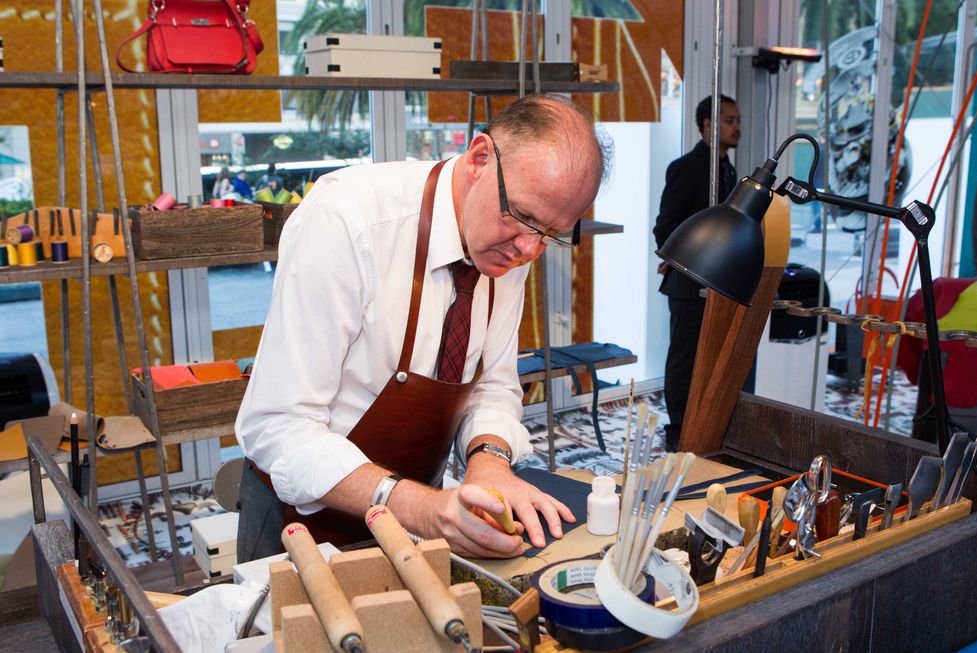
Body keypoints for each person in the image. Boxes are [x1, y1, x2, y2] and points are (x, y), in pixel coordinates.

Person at [236, 93, 609, 562]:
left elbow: (494, 386)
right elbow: (279, 427)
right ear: (479, 159)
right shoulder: (348, 221)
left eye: (551, 234)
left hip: (422, 511)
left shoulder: (508, 240)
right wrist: (418, 506)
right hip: (302, 522)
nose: (528, 250)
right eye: (524, 217)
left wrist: (489, 461)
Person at [653, 94, 741, 452]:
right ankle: (678, 431)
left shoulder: (731, 171)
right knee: (684, 359)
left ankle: (706, 427)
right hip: (689, 283)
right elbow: (666, 227)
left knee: (715, 359)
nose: (737, 127)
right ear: (708, 124)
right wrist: (680, 259)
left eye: (738, 120)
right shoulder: (685, 168)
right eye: (730, 120)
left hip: (722, 283)